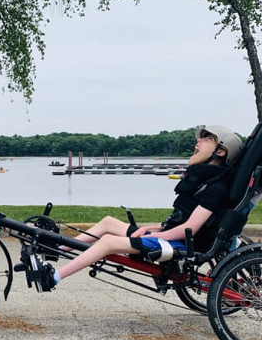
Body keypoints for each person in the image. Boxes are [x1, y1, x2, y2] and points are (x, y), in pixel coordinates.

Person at [31, 125, 244, 292]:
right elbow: (181, 220)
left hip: (180, 243)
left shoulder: (216, 187)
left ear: (221, 151)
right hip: (172, 236)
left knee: (108, 242)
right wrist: (151, 228)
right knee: (108, 222)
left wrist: (156, 232)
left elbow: (190, 229)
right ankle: (56, 250)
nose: (198, 141)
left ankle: (53, 278)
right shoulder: (206, 181)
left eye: (207, 138)